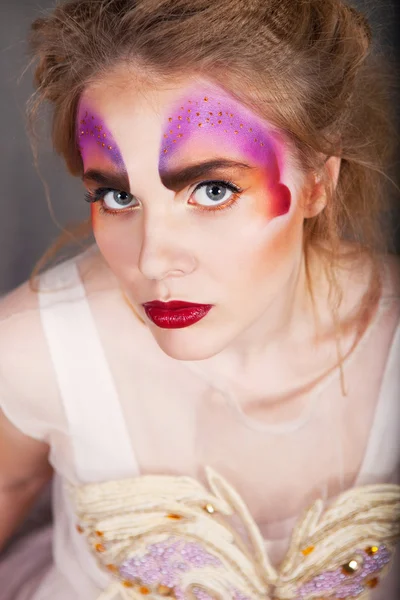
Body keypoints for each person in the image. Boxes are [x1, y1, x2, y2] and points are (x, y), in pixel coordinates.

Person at [0, 0, 399, 598]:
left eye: (212, 190)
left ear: (318, 181)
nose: (153, 259)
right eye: (116, 197)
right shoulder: (33, 350)